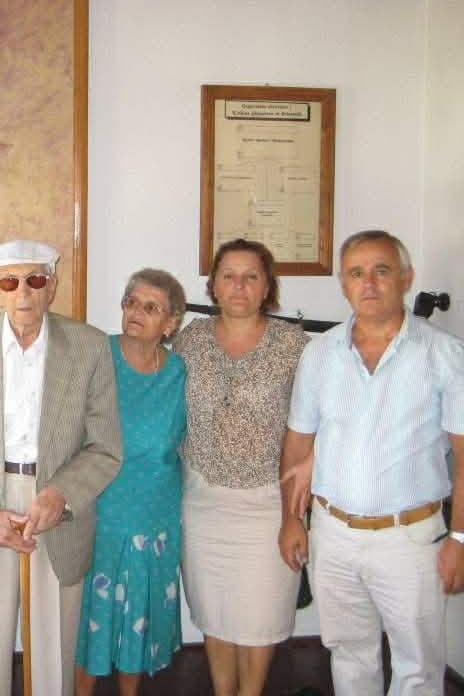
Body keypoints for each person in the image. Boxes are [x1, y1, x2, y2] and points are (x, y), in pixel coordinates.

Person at [278, 230, 464, 696]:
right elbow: (297, 443)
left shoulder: (448, 355)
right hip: (333, 534)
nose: (369, 283)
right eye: (356, 273)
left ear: (406, 278)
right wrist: (291, 519)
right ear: (343, 284)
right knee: (349, 655)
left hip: (409, 540)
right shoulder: (319, 354)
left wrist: (463, 539)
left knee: (418, 667)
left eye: (381, 271)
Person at [0, 239, 122, 696]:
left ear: (52, 286)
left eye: (35, 280)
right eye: (10, 282)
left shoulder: (90, 347)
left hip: (56, 503)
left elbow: (105, 446)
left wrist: (60, 494)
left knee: (53, 650)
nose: (24, 293)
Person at [172, 238, 307, 696]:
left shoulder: (294, 345)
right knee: (215, 615)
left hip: (268, 503)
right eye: (228, 276)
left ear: (267, 286)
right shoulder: (190, 340)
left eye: (251, 277)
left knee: (259, 620)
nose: (239, 286)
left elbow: (318, 422)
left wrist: (296, 512)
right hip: (202, 500)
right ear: (213, 284)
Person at [73, 269, 187, 696]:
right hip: (101, 509)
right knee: (92, 618)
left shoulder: (178, 373)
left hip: (156, 513)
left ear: (170, 324)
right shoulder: (95, 356)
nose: (136, 312)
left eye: (151, 307)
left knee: (139, 612)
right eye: (131, 302)